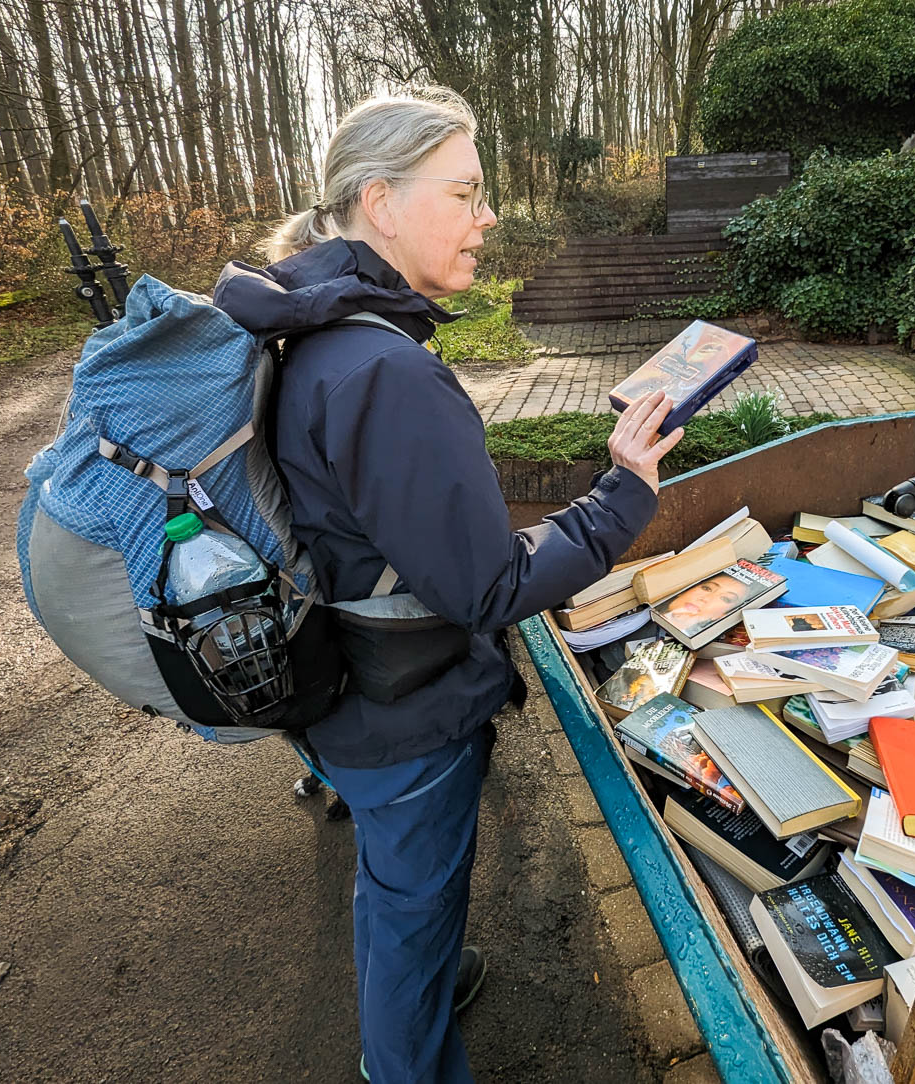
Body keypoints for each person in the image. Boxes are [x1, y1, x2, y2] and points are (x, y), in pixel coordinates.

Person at [213, 88, 683, 1083]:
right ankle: (406, 1055)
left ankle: (420, 967)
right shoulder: (385, 370)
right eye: (466, 193)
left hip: (349, 691)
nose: (488, 216)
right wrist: (622, 493)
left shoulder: (322, 331)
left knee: (398, 887)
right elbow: (487, 586)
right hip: (409, 718)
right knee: (408, 905)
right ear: (382, 203)